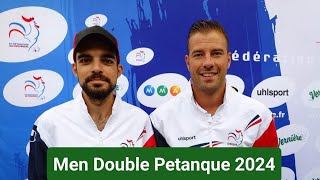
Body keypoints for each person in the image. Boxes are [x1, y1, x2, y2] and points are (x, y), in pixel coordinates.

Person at [28, 26, 156, 179]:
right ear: (75, 69)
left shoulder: (140, 121)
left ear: (119, 70)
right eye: (86, 60)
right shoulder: (48, 124)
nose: (96, 68)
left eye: (107, 60)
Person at [150, 20, 278, 147]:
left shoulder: (259, 117)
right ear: (188, 62)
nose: (208, 63)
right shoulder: (161, 121)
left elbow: (268, 168)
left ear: (228, 60)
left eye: (216, 53)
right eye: (199, 54)